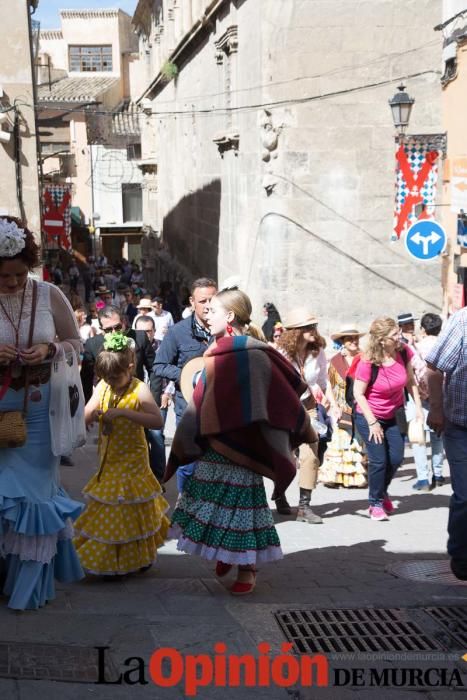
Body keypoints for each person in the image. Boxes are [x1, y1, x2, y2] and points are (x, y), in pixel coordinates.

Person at [165, 288, 316, 595]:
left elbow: (282, 398)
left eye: (214, 310)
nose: (207, 315)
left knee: (242, 506)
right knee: (214, 501)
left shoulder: (256, 354)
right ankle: (226, 552)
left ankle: (247, 566)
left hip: (246, 445)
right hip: (214, 443)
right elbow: (205, 396)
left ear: (230, 316)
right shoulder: (215, 351)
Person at [0, 216, 84, 609]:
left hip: (39, 415)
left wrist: (51, 350)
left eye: (19, 274)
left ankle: (28, 589)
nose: (13, 283)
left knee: (35, 498)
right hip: (1, 413)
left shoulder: (49, 294)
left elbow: (75, 343)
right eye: (4, 276)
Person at [74, 332, 169, 577]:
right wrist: (88, 418)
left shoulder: (140, 389)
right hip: (108, 459)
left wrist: (126, 414)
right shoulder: (104, 386)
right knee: (113, 505)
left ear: (130, 367)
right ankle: (117, 555)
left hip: (132, 461)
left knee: (125, 506)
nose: (112, 382)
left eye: (116, 377)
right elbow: (88, 410)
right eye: (106, 377)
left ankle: (129, 555)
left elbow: (156, 421)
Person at [353, 317, 424, 521]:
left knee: (396, 458)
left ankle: (381, 490)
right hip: (369, 415)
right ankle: (375, 503)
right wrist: (373, 422)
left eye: (398, 332)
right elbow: (358, 394)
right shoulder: (368, 361)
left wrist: (418, 407)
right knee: (379, 461)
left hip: (394, 414)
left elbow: (410, 381)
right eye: (394, 335)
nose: (399, 337)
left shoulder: (403, 352)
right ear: (382, 340)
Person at [276, 308, 340, 522]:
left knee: (310, 456)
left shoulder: (317, 351)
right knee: (284, 456)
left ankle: (304, 507)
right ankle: (280, 495)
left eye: (314, 326)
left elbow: (322, 379)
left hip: (309, 407)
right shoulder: (280, 353)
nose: (314, 330)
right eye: (309, 327)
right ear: (296, 331)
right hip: (284, 409)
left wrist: (331, 401)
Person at [154, 277, 217, 493]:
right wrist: (188, 374)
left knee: (214, 466)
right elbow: (159, 365)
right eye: (203, 301)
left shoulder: (225, 331)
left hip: (218, 410)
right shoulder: (177, 332)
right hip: (187, 410)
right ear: (192, 302)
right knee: (189, 463)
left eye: (212, 300)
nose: (208, 306)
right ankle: (184, 508)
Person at [426, 308, 467, 580]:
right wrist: (436, 409)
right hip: (461, 425)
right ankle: (461, 555)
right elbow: (434, 368)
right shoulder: (463, 321)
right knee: (466, 495)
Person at [318, 325, 367, 488]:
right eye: (349, 339)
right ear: (343, 342)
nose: (353, 341)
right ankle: (336, 476)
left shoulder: (365, 359)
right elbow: (329, 385)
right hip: (341, 406)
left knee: (358, 441)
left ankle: (355, 478)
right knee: (341, 440)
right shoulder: (335, 362)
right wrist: (333, 405)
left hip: (360, 407)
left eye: (355, 338)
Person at [80, 305, 157, 403]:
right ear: (101, 329)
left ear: (123, 322)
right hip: (106, 402)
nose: (114, 332)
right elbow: (86, 379)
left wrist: (154, 398)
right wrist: (87, 404)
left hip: (137, 398)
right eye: (108, 330)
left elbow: (154, 369)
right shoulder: (92, 344)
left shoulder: (140, 337)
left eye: (117, 327)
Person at [406, 312, 445, 491]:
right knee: (438, 436)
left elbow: (410, 375)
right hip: (441, 397)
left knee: (418, 438)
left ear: (422, 329)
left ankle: (423, 479)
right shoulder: (444, 345)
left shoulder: (415, 348)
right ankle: (438, 474)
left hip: (419, 397)